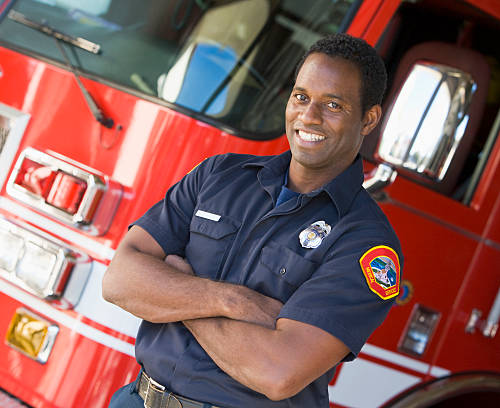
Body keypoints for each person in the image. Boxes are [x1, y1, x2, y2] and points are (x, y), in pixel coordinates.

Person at [102, 33, 402, 407]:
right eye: (302, 97)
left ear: (369, 119)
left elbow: (277, 373)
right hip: (138, 398)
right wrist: (230, 300)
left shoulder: (365, 243)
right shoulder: (219, 175)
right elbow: (119, 280)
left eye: (333, 105)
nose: (309, 116)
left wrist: (181, 289)